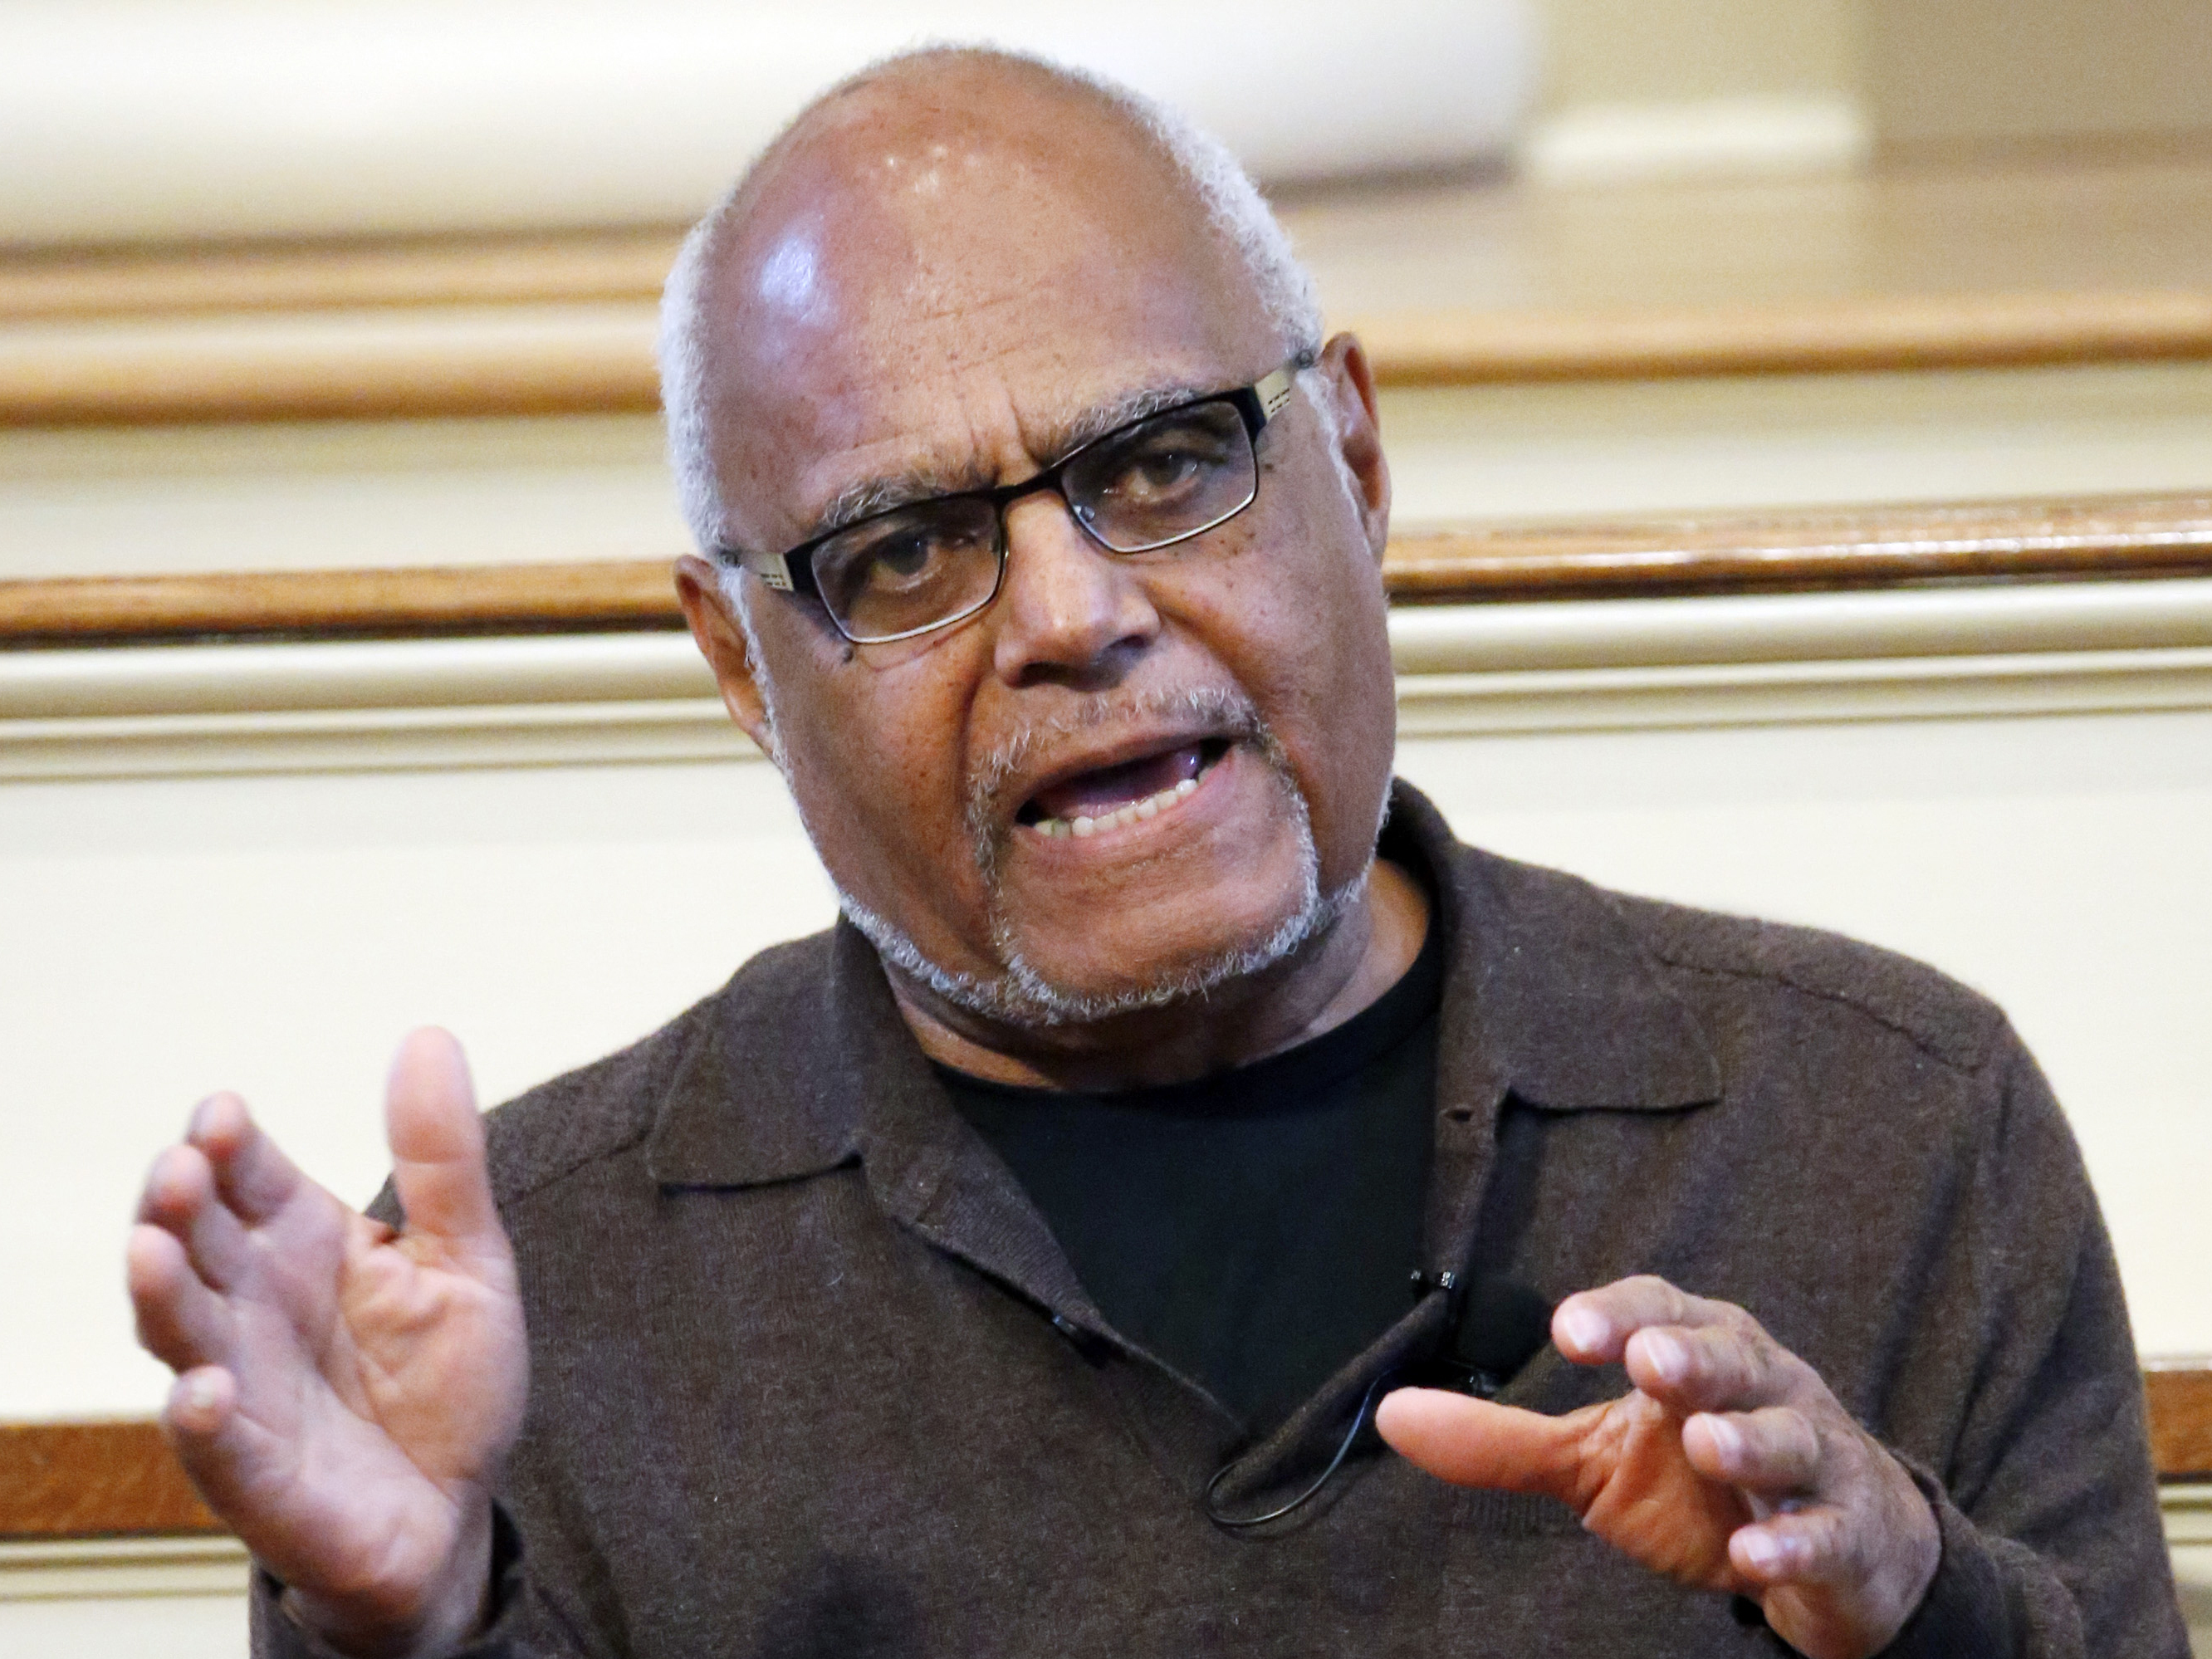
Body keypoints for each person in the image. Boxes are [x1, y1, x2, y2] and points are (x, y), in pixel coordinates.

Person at [125, 46, 2185, 1659]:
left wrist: (1917, 1611)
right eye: (907, 550)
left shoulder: (1887, 1129)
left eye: (1164, 460)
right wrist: (415, 1631)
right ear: (745, 665)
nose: (1070, 615)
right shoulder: (534, 1303)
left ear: (1357, 468)